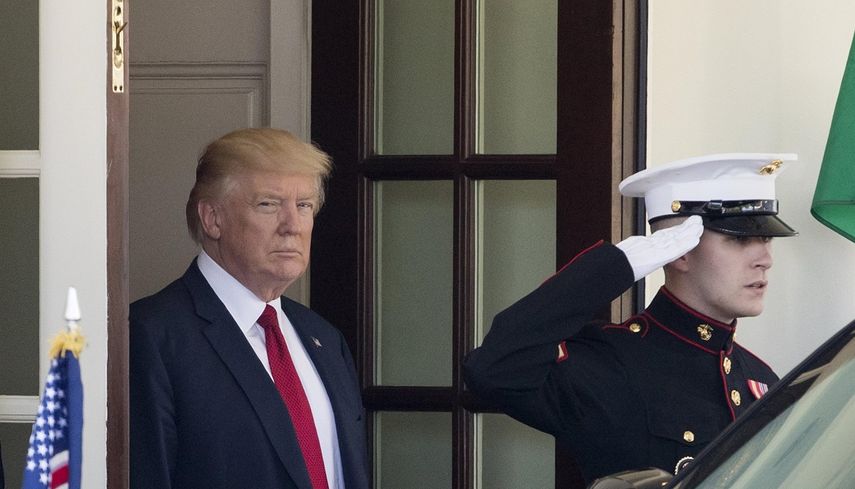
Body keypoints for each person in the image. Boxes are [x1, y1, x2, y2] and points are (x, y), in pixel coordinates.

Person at [464, 153, 798, 484]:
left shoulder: (761, 379)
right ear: (681, 252)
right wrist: (616, 266)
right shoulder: (611, 364)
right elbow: (494, 370)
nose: (765, 259)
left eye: (766, 239)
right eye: (739, 239)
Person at [130, 128, 369, 489]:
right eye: (268, 204)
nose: (292, 226)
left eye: (304, 206)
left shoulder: (324, 339)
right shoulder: (151, 336)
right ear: (213, 219)